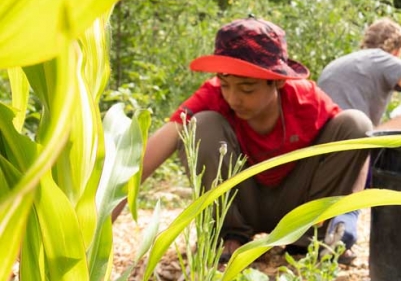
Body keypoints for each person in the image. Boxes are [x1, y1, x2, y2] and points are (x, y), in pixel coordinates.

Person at [124, 17, 372, 263]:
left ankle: (310, 237)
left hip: (298, 204)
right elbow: (150, 154)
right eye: (225, 84)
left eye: (247, 88)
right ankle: (226, 235)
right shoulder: (213, 96)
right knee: (201, 125)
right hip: (243, 200)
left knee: (356, 123)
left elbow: (355, 144)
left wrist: (349, 208)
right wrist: (101, 218)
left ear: (278, 81)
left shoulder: (306, 100)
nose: (233, 98)